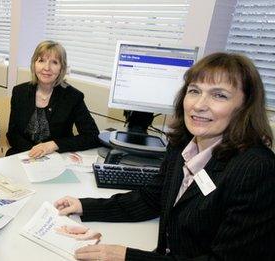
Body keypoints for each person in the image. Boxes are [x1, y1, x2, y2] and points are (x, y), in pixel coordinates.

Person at [55, 52, 275, 260]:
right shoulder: (181, 145)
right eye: (194, 91)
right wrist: (84, 206)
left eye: (219, 95)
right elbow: (152, 198)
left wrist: (126, 256)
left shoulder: (256, 170)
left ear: (244, 106)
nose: (199, 105)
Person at [6, 40, 99, 157]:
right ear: (34, 64)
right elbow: (12, 134)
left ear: (62, 68)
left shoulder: (72, 97)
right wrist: (34, 152)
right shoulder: (19, 92)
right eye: (41, 61)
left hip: (57, 158)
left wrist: (53, 145)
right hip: (23, 155)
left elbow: (92, 136)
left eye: (54, 62)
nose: (47, 68)